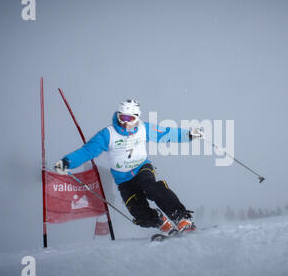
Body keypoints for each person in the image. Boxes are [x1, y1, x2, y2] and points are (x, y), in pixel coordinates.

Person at [54, 99, 203, 235]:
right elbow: (87, 151)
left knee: (152, 188)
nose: (125, 123)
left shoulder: (144, 129)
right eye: (122, 118)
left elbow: (167, 134)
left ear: (137, 117)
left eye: (130, 119)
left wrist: (189, 135)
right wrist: (67, 162)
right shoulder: (108, 134)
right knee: (138, 212)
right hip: (123, 179)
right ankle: (159, 221)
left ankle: (182, 218)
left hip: (142, 169)